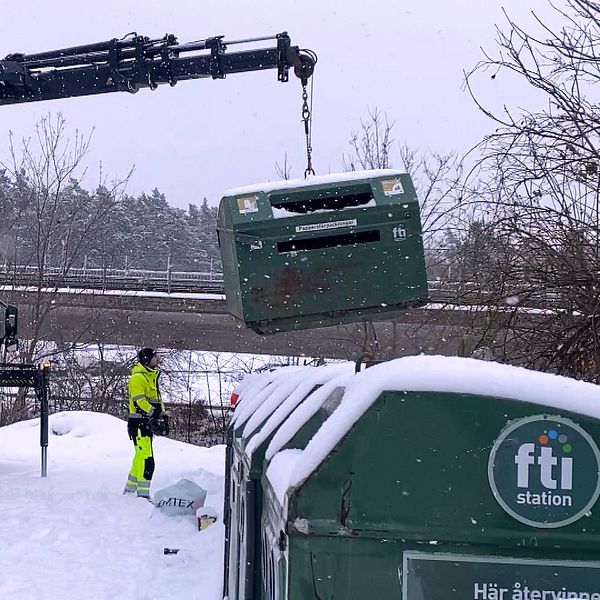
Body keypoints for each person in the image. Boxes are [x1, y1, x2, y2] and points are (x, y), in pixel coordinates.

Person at [123, 347, 169, 499]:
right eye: (155, 357)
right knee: (147, 460)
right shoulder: (138, 378)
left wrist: (162, 413)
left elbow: (156, 399)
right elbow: (139, 401)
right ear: (146, 359)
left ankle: (130, 490)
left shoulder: (150, 377)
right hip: (139, 425)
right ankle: (142, 495)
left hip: (146, 424)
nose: (158, 359)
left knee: (139, 457)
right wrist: (153, 413)